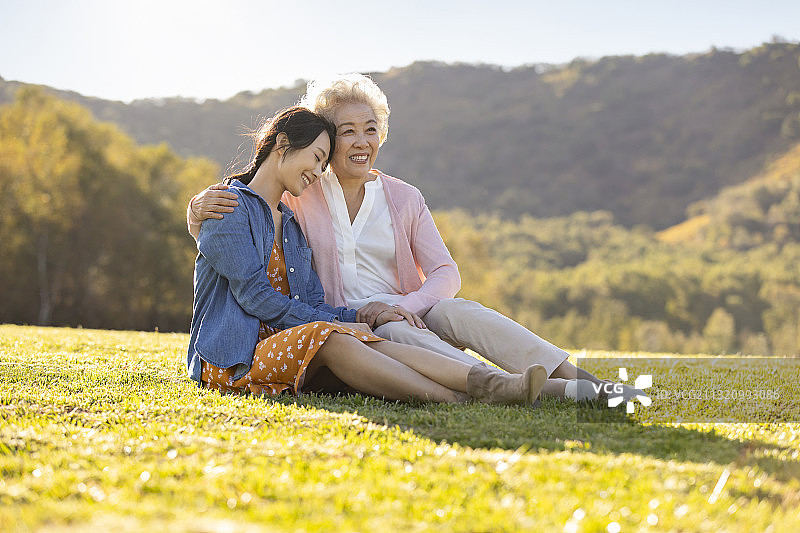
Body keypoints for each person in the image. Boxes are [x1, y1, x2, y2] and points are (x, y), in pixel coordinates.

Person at [189, 76, 634, 402]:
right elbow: (239, 214)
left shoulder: (402, 197)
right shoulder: (302, 193)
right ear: (323, 142)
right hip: (355, 320)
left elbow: (444, 271)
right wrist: (195, 211)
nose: (362, 141)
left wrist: (408, 306)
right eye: (346, 132)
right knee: (398, 332)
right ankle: (505, 390)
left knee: (464, 312)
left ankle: (588, 383)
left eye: (371, 129)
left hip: (402, 309)